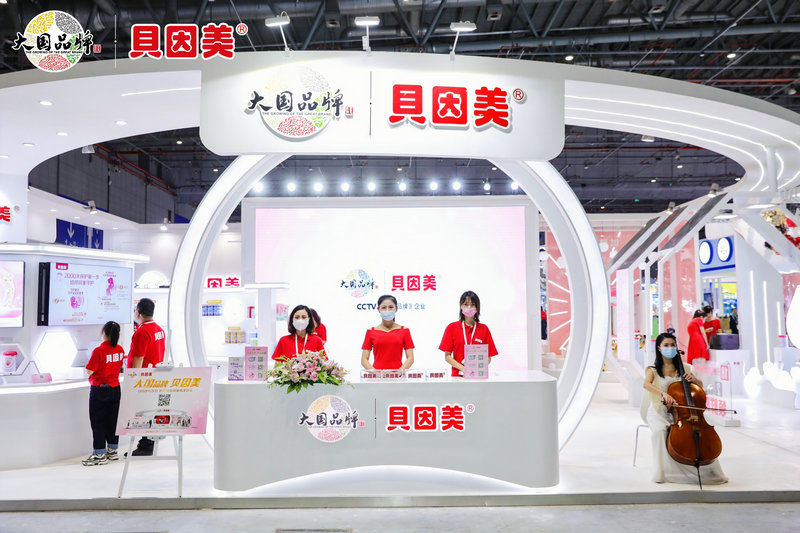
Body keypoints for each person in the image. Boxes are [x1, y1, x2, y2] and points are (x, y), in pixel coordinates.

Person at [642, 332, 727, 485]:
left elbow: (699, 387)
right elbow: (646, 385)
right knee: (660, 432)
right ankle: (662, 472)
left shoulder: (685, 368)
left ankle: (709, 471)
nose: (670, 348)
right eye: (666, 345)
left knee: (700, 436)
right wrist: (663, 393)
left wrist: (695, 380)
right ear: (659, 348)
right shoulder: (653, 369)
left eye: (672, 345)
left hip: (683, 413)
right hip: (659, 412)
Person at [82, 321, 125, 466]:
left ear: (103, 332)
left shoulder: (99, 351)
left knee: (98, 422)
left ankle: (99, 453)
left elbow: (89, 370)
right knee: (113, 421)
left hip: (100, 390)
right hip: (115, 388)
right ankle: (112, 451)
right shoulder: (120, 350)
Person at [127, 298, 166, 457]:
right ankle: (149, 442)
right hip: (155, 376)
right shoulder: (159, 329)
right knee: (150, 410)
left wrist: (134, 380)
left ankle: (146, 444)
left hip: (144, 378)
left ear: (138, 313)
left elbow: (138, 358)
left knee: (143, 411)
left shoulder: (142, 332)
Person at [439, 290, 498, 376]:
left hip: (478, 376)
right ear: (461, 306)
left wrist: (477, 368)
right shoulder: (451, 328)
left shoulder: (484, 329)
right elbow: (447, 356)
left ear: (477, 307)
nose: (469, 307)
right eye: (466, 304)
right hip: (458, 376)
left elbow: (488, 357)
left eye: (472, 304)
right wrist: (463, 369)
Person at [361, 295, 415, 370]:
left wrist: (398, 373)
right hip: (377, 375)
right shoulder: (371, 332)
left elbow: (410, 358)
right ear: (378, 309)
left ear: (396, 308)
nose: (387, 310)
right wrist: (376, 373)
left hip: (399, 375)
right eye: (384, 307)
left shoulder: (404, 331)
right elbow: (364, 360)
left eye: (391, 307)